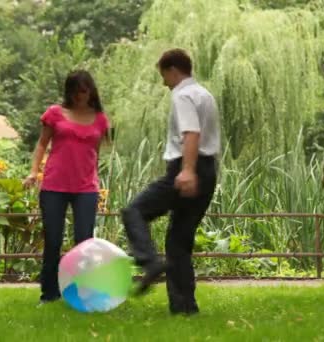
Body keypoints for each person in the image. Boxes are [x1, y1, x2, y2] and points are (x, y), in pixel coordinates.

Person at [121, 48, 220, 315]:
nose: (164, 82)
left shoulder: (183, 95)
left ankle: (149, 262)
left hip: (188, 167)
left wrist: (187, 170)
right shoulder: (205, 95)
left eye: (164, 75)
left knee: (134, 211)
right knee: (179, 241)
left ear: (173, 71)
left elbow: (191, 134)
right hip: (209, 169)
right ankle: (185, 307)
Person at [23, 70, 110, 305]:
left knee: (84, 242)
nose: (81, 95)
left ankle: (83, 294)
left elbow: (95, 154)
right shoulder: (55, 114)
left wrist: (96, 183)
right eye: (76, 90)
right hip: (54, 186)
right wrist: (34, 172)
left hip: (86, 189)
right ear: (69, 91)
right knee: (53, 240)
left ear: (91, 90)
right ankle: (49, 294)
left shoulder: (100, 118)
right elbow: (41, 145)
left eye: (85, 90)